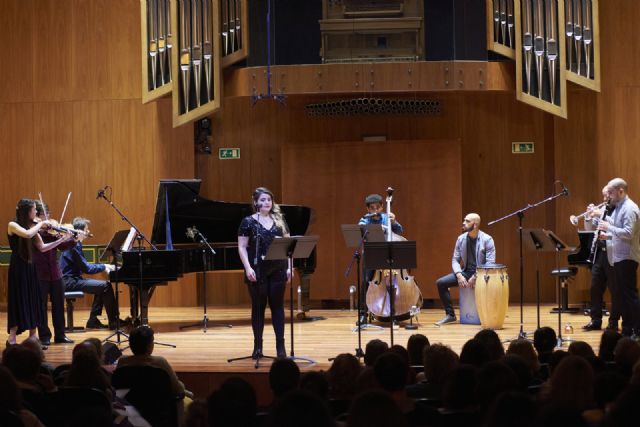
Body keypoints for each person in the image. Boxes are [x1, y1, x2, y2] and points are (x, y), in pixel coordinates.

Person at [238, 187, 291, 359]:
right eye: (262, 200)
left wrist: (290, 267)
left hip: (278, 269)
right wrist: (248, 268)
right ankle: (258, 347)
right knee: (258, 308)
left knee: (277, 307)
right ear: (255, 202)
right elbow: (242, 247)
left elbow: (288, 245)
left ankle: (280, 347)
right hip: (257, 270)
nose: (266, 202)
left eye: (269, 199)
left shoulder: (280, 220)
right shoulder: (248, 222)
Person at [7, 199, 69, 346]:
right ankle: (12, 338)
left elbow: (42, 247)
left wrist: (60, 241)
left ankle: (33, 338)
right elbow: (27, 235)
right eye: (34, 210)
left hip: (31, 267)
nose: (36, 212)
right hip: (18, 268)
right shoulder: (13, 225)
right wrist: (40, 224)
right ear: (27, 211)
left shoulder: (33, 226)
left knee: (33, 301)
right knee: (18, 301)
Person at [596, 178, 640, 337]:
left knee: (629, 296)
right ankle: (628, 328)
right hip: (619, 257)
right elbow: (618, 233)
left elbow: (628, 233)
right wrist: (606, 236)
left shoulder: (629, 208)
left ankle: (636, 329)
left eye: (611, 192)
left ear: (621, 191)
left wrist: (609, 227)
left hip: (627, 257)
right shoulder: (619, 207)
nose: (609, 195)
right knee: (622, 295)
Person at [434, 213, 496, 326]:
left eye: (467, 221)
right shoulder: (461, 239)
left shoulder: (487, 239)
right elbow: (455, 260)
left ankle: (487, 315)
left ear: (475, 224)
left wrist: (476, 276)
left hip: (482, 274)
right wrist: (459, 275)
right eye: (464, 220)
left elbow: (490, 263)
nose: (463, 223)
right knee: (441, 283)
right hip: (466, 272)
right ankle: (450, 315)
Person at [59, 217, 120, 329]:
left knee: (101, 286)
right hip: (68, 282)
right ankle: (114, 321)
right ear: (79, 231)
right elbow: (87, 269)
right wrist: (104, 266)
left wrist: (102, 266)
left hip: (71, 280)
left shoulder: (74, 244)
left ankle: (93, 320)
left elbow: (84, 266)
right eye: (86, 230)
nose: (88, 232)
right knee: (105, 286)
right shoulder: (74, 245)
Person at [33, 202, 76, 345]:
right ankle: (44, 336)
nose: (47, 219)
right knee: (41, 306)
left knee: (58, 305)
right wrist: (45, 230)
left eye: (48, 215)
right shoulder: (34, 230)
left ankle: (60, 335)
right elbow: (40, 247)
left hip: (56, 273)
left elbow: (62, 246)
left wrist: (73, 239)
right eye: (44, 215)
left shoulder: (52, 231)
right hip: (40, 273)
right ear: (36, 215)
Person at [357, 193, 403, 324]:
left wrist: (393, 222)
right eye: (372, 208)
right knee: (366, 282)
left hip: (387, 255)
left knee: (391, 283)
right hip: (371, 254)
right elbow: (359, 233)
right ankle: (363, 314)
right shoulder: (365, 220)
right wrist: (362, 227)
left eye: (378, 207)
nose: (375, 210)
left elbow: (399, 231)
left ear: (382, 207)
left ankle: (393, 313)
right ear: (368, 209)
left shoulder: (387, 218)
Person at [581, 186, 620, 331]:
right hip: (599, 254)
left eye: (606, 196)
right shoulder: (604, 210)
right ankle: (595, 320)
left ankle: (613, 322)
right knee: (595, 289)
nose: (604, 199)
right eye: (603, 196)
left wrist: (600, 214)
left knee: (615, 290)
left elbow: (621, 230)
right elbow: (589, 229)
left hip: (613, 254)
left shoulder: (619, 210)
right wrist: (588, 216)